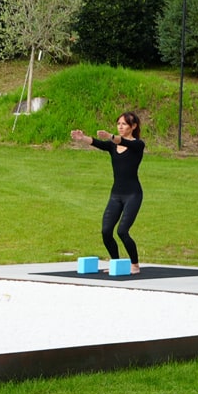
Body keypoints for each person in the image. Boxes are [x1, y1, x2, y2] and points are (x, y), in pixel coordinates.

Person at [70, 111, 146, 273]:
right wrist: (82, 138)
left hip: (133, 195)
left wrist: (110, 136)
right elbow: (97, 143)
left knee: (122, 231)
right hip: (116, 195)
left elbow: (123, 141)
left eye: (124, 124)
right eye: (118, 124)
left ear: (133, 126)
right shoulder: (112, 146)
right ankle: (116, 264)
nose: (120, 127)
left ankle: (135, 265)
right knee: (106, 231)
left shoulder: (138, 145)